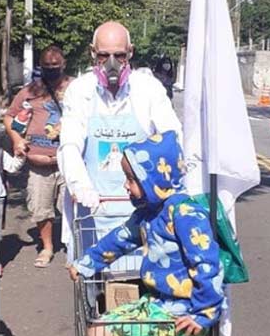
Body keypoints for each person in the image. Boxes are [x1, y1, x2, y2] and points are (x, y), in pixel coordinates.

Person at [68, 131, 224, 336]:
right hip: (160, 307)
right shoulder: (149, 213)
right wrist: (86, 263)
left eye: (132, 180)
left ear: (156, 178)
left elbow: (207, 262)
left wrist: (204, 311)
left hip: (182, 315)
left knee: (99, 334)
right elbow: (120, 240)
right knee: (127, 331)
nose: (126, 187)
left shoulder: (186, 212)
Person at [58, 21, 182, 266]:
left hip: (142, 211)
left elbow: (171, 136)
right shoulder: (80, 90)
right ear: (93, 53)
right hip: (94, 209)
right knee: (93, 287)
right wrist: (80, 186)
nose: (111, 63)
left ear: (131, 53)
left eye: (119, 55)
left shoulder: (148, 89)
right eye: (104, 55)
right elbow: (69, 145)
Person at [4, 46, 73, 268]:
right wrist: (16, 139)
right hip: (37, 166)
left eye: (56, 66)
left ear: (63, 65)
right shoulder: (29, 91)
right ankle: (47, 247)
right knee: (41, 208)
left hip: (67, 163)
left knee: (72, 208)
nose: (52, 70)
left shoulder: (75, 89)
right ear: (40, 67)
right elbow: (10, 117)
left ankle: (74, 250)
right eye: (47, 67)